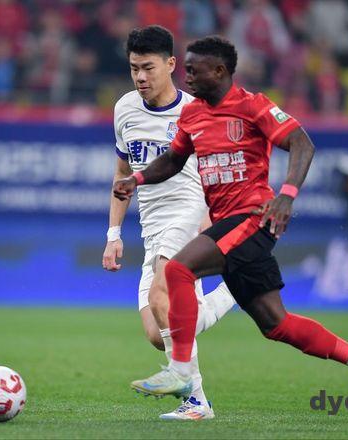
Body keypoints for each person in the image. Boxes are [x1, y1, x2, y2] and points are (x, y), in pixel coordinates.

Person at [113, 36, 348, 400]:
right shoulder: (193, 114)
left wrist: (287, 195)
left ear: (219, 71)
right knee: (276, 324)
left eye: (194, 70)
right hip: (226, 224)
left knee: (178, 270)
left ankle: (181, 372)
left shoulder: (252, 106)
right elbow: (172, 160)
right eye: (187, 69)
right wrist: (136, 179)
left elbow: (302, 143)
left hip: (254, 217)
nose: (188, 77)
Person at [102, 26, 237, 420]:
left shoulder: (196, 111)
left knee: (163, 300)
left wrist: (210, 219)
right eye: (134, 69)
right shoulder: (125, 109)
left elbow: (218, 173)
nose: (140, 77)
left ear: (171, 65)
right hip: (152, 227)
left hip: (188, 213)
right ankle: (233, 292)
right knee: (158, 333)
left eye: (148, 68)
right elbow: (122, 174)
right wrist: (113, 234)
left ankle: (197, 401)